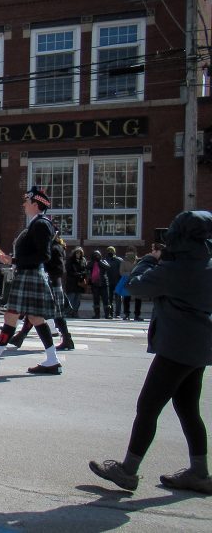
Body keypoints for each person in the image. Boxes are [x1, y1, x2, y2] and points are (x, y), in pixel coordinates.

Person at [89, 210, 212, 494]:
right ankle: (199, 471)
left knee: (148, 407)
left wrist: (149, 258)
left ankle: (128, 470)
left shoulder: (174, 269)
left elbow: (131, 286)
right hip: (199, 345)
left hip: (175, 346)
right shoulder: (205, 263)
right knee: (188, 408)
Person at [0, 186, 62, 374]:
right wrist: (13, 259)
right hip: (29, 274)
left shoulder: (41, 224)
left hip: (31, 275)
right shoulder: (37, 223)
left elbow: (44, 255)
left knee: (14, 316)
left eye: (27, 202)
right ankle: (51, 360)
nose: (24, 205)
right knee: (33, 318)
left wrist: (14, 260)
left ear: (35, 204)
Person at [7, 230, 75, 351]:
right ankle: (21, 336)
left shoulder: (53, 249)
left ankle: (66, 339)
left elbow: (57, 269)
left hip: (51, 284)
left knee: (54, 314)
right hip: (50, 283)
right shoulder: (52, 247)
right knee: (34, 312)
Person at [119, 246, 143, 321]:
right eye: (129, 252)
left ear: (135, 253)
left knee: (138, 298)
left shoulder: (139, 261)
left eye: (132, 252)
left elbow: (141, 271)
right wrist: (130, 274)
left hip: (137, 281)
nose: (130, 254)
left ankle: (137, 315)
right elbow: (121, 272)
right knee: (126, 299)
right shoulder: (124, 261)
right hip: (127, 281)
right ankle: (126, 314)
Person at [64, 247, 88, 318]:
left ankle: (75, 312)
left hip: (80, 282)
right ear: (74, 253)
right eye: (77, 253)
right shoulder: (70, 261)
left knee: (77, 299)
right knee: (71, 298)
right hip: (72, 282)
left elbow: (85, 270)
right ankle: (68, 312)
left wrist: (82, 275)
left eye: (80, 253)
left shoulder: (83, 260)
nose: (78, 254)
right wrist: (79, 274)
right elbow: (69, 271)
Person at [88, 250, 112, 319]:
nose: (97, 257)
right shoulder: (91, 263)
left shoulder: (103, 261)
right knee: (96, 300)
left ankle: (107, 314)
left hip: (103, 284)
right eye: (95, 255)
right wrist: (94, 262)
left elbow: (108, 267)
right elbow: (87, 267)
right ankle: (97, 314)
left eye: (98, 255)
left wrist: (99, 262)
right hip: (95, 284)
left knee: (106, 300)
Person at [105, 246, 123, 319]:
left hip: (117, 282)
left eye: (111, 251)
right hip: (109, 282)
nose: (110, 252)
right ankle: (111, 312)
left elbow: (122, 271)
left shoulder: (119, 260)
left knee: (118, 299)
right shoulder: (105, 260)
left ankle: (117, 313)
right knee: (110, 298)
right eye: (109, 251)